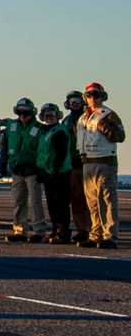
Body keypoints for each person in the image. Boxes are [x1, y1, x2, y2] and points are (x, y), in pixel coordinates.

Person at [77, 82, 123, 250]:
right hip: (87, 161)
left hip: (105, 161)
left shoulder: (108, 115)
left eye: (96, 95)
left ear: (102, 96)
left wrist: (106, 128)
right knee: (92, 202)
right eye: (89, 95)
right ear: (85, 98)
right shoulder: (82, 118)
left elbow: (120, 135)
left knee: (107, 199)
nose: (93, 98)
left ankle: (110, 235)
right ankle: (95, 234)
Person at [0, 98, 47, 243]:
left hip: (33, 170)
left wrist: (41, 168)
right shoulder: (12, 127)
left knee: (35, 201)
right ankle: (20, 230)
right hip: (17, 170)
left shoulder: (39, 128)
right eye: (20, 113)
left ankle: (39, 231)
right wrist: (3, 164)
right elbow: (5, 146)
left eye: (26, 113)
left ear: (32, 113)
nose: (23, 116)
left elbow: (43, 150)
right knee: (18, 201)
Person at [35, 103, 74, 245]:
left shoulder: (59, 131)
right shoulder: (45, 132)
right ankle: (55, 230)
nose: (49, 118)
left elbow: (60, 154)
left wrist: (55, 170)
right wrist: (42, 170)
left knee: (61, 204)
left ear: (57, 116)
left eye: (52, 115)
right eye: (46, 115)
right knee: (52, 204)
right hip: (48, 172)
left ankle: (63, 233)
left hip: (60, 173)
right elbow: (43, 153)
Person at [63, 90, 90, 245]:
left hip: (87, 162)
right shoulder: (66, 121)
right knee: (76, 199)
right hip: (71, 165)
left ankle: (94, 229)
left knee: (90, 199)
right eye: (72, 102)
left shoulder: (88, 119)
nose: (75, 105)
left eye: (78, 102)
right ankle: (82, 230)